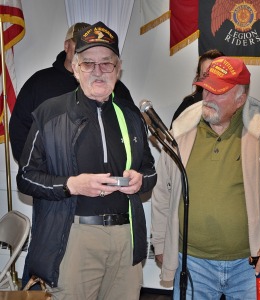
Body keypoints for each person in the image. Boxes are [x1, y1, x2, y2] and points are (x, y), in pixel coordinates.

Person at [16, 21, 157, 300]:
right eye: (89, 64)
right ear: (76, 68)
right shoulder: (50, 114)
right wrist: (71, 185)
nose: (98, 71)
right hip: (73, 238)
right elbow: (26, 177)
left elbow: (150, 171)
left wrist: (141, 180)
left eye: (107, 64)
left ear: (118, 69)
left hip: (125, 239)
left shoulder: (130, 117)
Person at [151, 56, 260, 299]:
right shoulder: (181, 129)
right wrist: (162, 243)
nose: (208, 98)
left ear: (240, 99)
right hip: (192, 262)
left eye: (218, 92)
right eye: (206, 90)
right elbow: (163, 190)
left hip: (249, 264)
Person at [9, 22, 136, 163]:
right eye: (78, 42)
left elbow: (132, 128)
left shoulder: (111, 85)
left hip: (105, 177)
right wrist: (37, 170)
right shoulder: (39, 82)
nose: (82, 47)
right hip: (52, 178)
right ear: (66, 46)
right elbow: (19, 128)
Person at [170, 49, 224, 125]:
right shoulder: (189, 106)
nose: (210, 79)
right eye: (205, 75)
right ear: (198, 77)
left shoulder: (236, 104)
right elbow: (174, 135)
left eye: (215, 74)